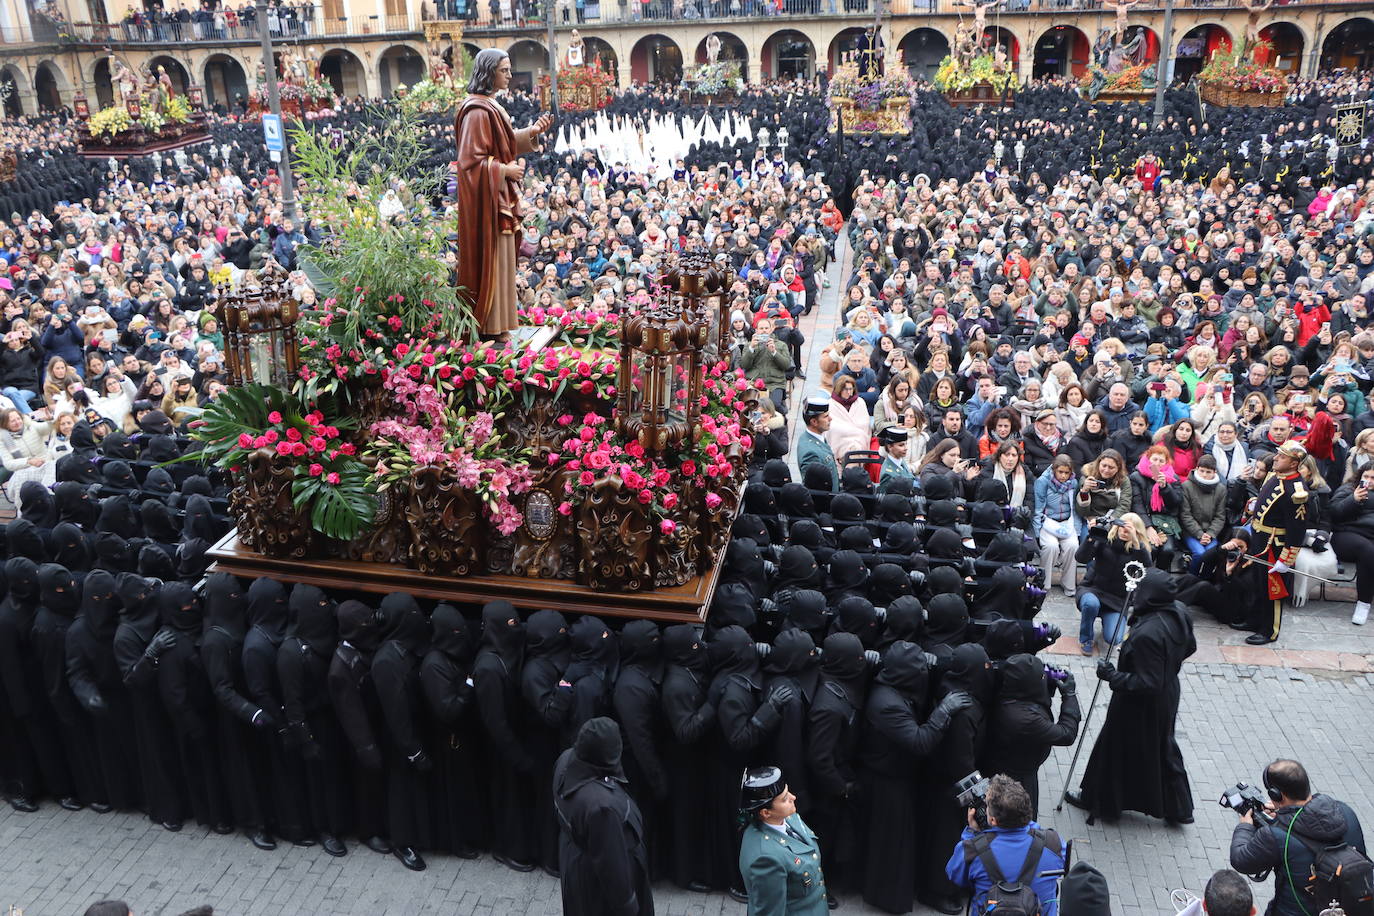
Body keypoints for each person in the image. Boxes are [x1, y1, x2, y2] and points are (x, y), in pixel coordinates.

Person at [1066, 568, 1196, 826]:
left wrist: (1113, 676)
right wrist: (1170, 666)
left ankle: (1100, 801)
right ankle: (1178, 807)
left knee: (1113, 750)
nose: (1136, 593)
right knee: (1163, 747)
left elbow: (1146, 682)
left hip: (1140, 703)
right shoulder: (1179, 610)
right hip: (1167, 693)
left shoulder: (1150, 634)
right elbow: (1190, 646)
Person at [455, 49, 554, 338]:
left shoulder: (491, 105)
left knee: (504, 264)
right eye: (504, 70)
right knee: (494, 262)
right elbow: (470, 162)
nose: (510, 75)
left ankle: (501, 324)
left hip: (499, 199)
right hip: (489, 202)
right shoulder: (476, 110)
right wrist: (503, 172)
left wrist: (532, 132)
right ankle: (489, 325)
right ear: (489, 72)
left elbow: (505, 142)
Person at [1229, 759, 1367, 916]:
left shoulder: (1276, 835)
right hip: (1350, 907)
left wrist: (1245, 826)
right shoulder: (1343, 810)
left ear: (1276, 794)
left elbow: (1241, 860)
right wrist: (1285, 811)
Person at [552, 717, 653, 916]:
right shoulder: (601, 807)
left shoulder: (566, 759)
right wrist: (628, 906)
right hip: (596, 882)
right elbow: (612, 867)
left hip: (575, 858)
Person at [1219, 440, 1311, 645]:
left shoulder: (1296, 491)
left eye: (1282, 456)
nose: (1276, 458)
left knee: (1273, 590)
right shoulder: (1275, 475)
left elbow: (1297, 528)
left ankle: (1270, 630)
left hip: (1275, 546)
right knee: (1258, 584)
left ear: (1294, 463)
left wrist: (1286, 559)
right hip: (1260, 539)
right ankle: (1255, 620)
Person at [944, 775, 1066, 916]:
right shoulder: (1053, 843)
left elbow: (954, 874)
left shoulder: (972, 849)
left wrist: (972, 833)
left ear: (993, 820)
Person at [981, 654, 1081, 819]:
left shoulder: (1006, 690)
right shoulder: (1025, 720)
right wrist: (1069, 695)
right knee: (1019, 821)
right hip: (1016, 780)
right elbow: (1066, 734)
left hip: (1004, 764)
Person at [737, 765, 830, 915]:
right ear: (766, 812)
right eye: (785, 799)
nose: (793, 797)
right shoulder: (766, 858)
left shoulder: (787, 818)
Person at [1331, 463, 1374, 626]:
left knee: (1368, 555)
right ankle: (1363, 605)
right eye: (1366, 477)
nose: (1369, 481)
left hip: (1370, 540)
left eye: (1373, 478)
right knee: (1367, 550)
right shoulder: (1348, 490)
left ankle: (1364, 603)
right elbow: (1334, 514)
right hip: (1346, 536)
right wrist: (1353, 500)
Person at [798, 396, 839, 492]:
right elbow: (815, 490)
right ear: (814, 422)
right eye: (825, 416)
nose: (830, 419)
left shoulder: (811, 437)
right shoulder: (810, 453)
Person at [876, 425, 915, 494]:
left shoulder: (900, 461)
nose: (906, 448)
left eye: (906, 444)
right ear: (890, 447)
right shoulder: (887, 474)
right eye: (901, 445)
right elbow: (886, 499)